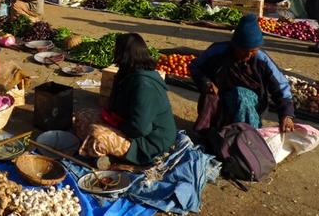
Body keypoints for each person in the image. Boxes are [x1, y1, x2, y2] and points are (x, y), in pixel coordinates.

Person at [75, 33, 176, 165]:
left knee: (97, 137)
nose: (113, 52)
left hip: (148, 142)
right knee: (82, 116)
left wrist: (116, 126)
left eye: (116, 50)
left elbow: (141, 128)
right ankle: (110, 151)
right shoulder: (126, 73)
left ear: (124, 54)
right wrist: (110, 118)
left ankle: (115, 158)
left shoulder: (144, 85)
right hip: (127, 125)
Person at [191, 14, 295, 133]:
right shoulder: (218, 51)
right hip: (221, 101)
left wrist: (286, 114)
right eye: (244, 51)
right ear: (235, 45)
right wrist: (206, 82)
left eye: (253, 51)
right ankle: (208, 132)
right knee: (211, 99)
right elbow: (195, 67)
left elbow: (282, 88)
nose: (248, 55)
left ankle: (247, 135)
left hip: (251, 105)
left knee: (241, 94)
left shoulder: (262, 60)